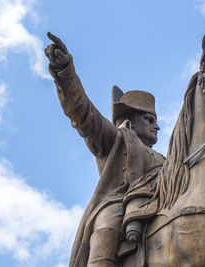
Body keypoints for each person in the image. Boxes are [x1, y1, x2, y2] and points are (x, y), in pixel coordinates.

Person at [45, 32, 165, 267]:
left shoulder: (165, 159)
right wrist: (66, 72)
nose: (157, 126)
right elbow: (82, 113)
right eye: (149, 119)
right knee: (107, 223)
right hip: (118, 205)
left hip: (157, 207)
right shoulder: (114, 139)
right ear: (131, 119)